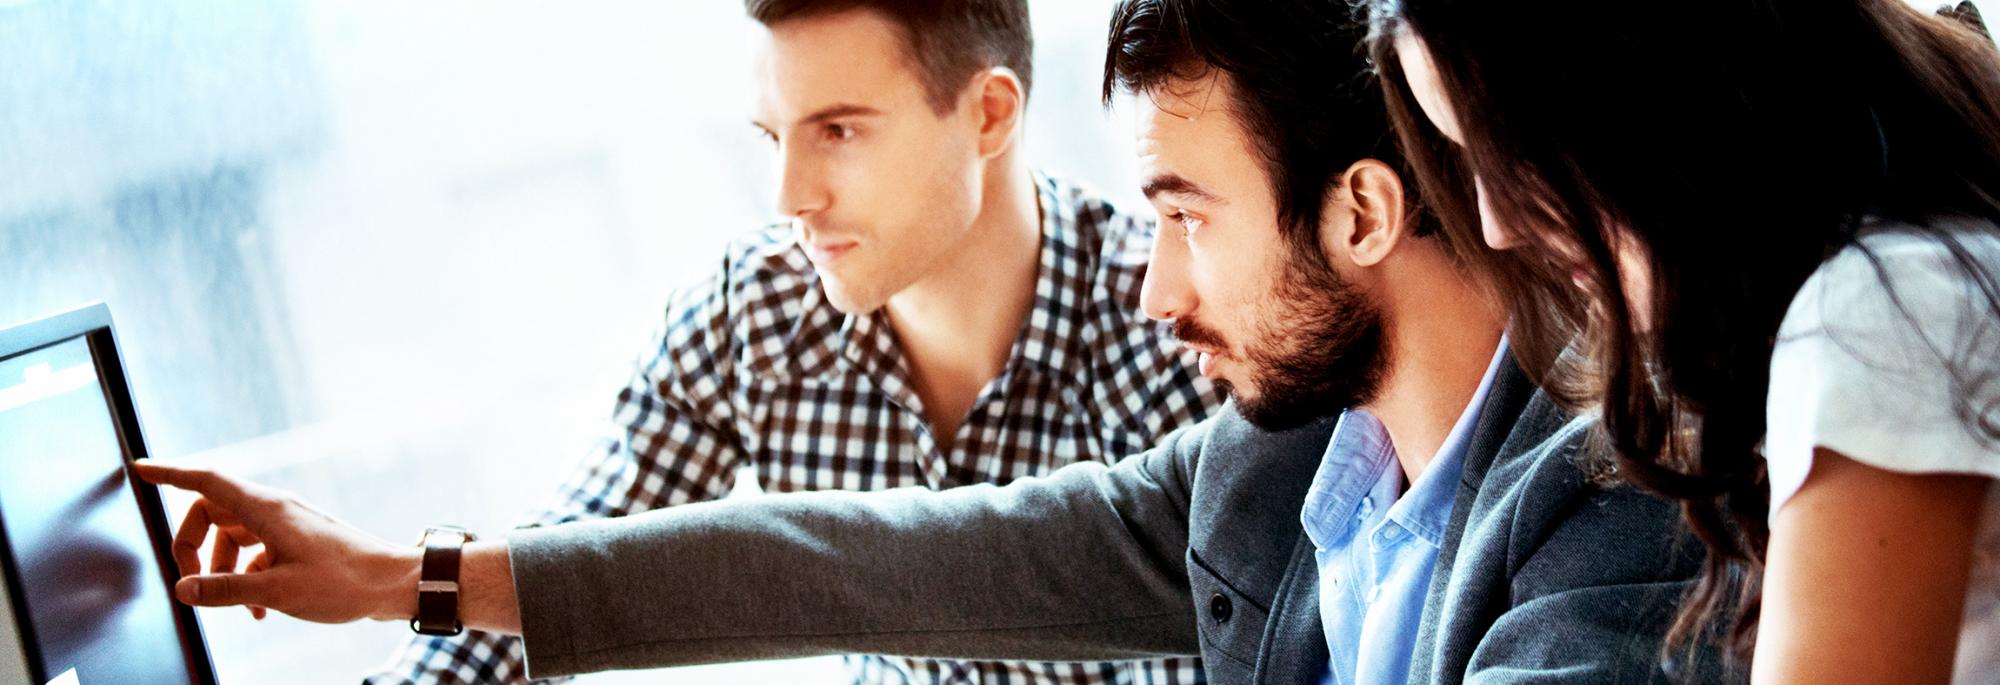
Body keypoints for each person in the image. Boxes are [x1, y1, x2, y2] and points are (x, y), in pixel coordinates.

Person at [141, 0, 1722, 683]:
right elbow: (860, 559)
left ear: (1362, 215)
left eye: (1189, 215)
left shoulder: (1621, 521)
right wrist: (398, 577)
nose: (1163, 293)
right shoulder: (1281, 464)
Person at [364, 0, 1227, 683]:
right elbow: (564, 569)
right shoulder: (756, 316)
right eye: (774, 136)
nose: (788, 196)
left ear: (990, 114)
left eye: (838, 131)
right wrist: (389, 591)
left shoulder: (1188, 329)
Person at [1370, 0, 2000, 681]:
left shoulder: (1876, 313)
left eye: (1512, 146)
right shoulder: (1884, 276)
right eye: (1469, 160)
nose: (1497, 223)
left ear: (1647, 75)